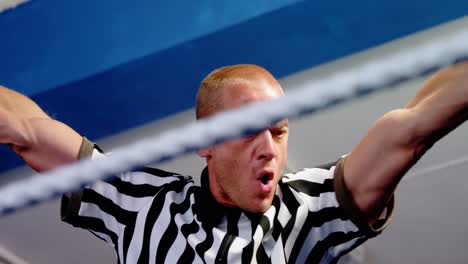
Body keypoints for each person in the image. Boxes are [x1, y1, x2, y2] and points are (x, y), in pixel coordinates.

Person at [0, 62, 467, 263]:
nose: (269, 148)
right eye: (248, 131)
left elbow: (410, 131)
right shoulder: (142, 203)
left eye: (279, 131)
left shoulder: (309, 210)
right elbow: (27, 132)